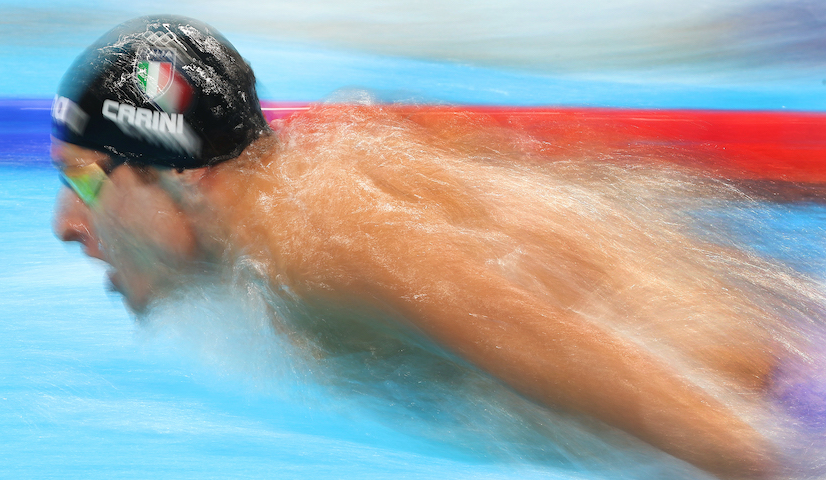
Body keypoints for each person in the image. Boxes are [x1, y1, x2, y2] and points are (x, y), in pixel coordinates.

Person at [53, 15, 818, 479]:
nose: (65, 223)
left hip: (787, 418)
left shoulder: (306, 243)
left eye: (84, 181)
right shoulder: (333, 158)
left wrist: (774, 456)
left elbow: (550, 336)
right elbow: (612, 187)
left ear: (178, 171)